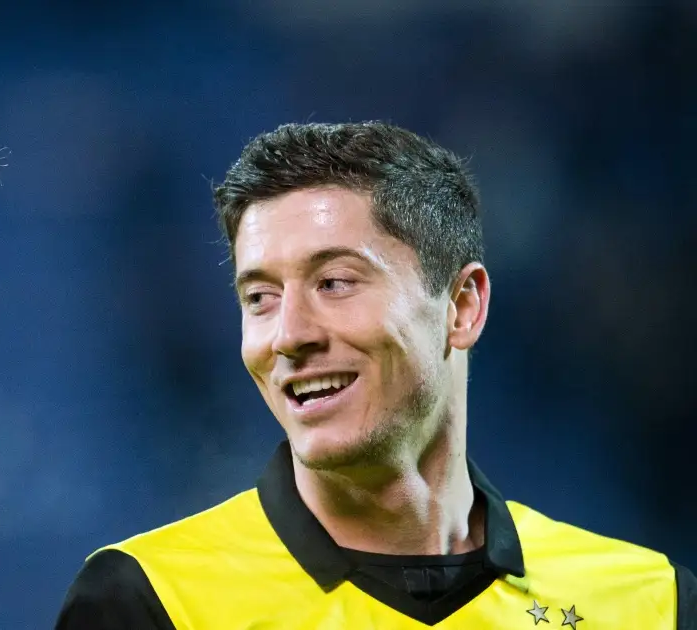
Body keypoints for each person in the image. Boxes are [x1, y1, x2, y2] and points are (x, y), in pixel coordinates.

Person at [55, 122, 696, 629]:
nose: (289, 335)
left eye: (334, 283)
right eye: (260, 297)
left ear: (461, 306)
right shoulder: (147, 600)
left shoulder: (651, 603)